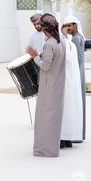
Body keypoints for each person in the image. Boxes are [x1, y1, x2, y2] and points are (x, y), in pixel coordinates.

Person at [26, 14, 66, 158]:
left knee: (44, 117)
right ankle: (52, 148)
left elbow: (46, 66)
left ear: (45, 29)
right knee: (53, 117)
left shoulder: (49, 44)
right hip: (58, 84)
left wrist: (34, 56)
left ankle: (44, 150)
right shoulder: (60, 42)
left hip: (49, 85)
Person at [59, 26, 84, 149]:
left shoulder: (63, 45)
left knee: (63, 111)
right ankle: (67, 138)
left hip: (64, 82)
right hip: (72, 83)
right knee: (70, 109)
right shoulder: (70, 44)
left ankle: (63, 138)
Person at [63, 15, 86, 142]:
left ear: (76, 25)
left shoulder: (76, 39)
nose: (67, 28)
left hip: (77, 73)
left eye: (69, 25)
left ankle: (77, 135)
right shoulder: (78, 37)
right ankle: (78, 133)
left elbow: (77, 59)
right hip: (79, 72)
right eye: (65, 26)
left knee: (77, 103)